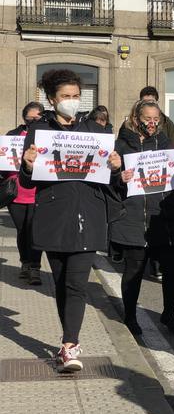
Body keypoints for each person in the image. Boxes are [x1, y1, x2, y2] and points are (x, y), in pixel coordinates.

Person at [20, 69, 123, 371]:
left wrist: (116, 168)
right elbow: (28, 183)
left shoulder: (97, 130)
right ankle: (67, 339)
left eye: (76, 96)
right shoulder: (38, 131)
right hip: (54, 214)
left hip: (89, 214)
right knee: (63, 282)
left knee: (78, 283)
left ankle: (70, 345)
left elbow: (111, 181)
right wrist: (27, 166)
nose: (72, 101)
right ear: (52, 99)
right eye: (65, 96)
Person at [110, 100, 174, 336]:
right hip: (133, 216)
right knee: (134, 270)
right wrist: (118, 176)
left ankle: (169, 313)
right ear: (135, 118)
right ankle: (130, 316)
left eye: (156, 120)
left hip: (163, 217)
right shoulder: (121, 145)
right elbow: (109, 182)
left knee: (172, 268)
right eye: (147, 119)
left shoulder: (166, 144)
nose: (152, 124)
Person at [6, 102, 43, 285]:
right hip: (16, 192)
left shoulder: (46, 136)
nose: (35, 120)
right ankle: (25, 263)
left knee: (35, 230)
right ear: (24, 117)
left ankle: (35, 267)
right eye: (32, 117)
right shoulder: (12, 135)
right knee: (22, 231)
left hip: (39, 192)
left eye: (39, 117)